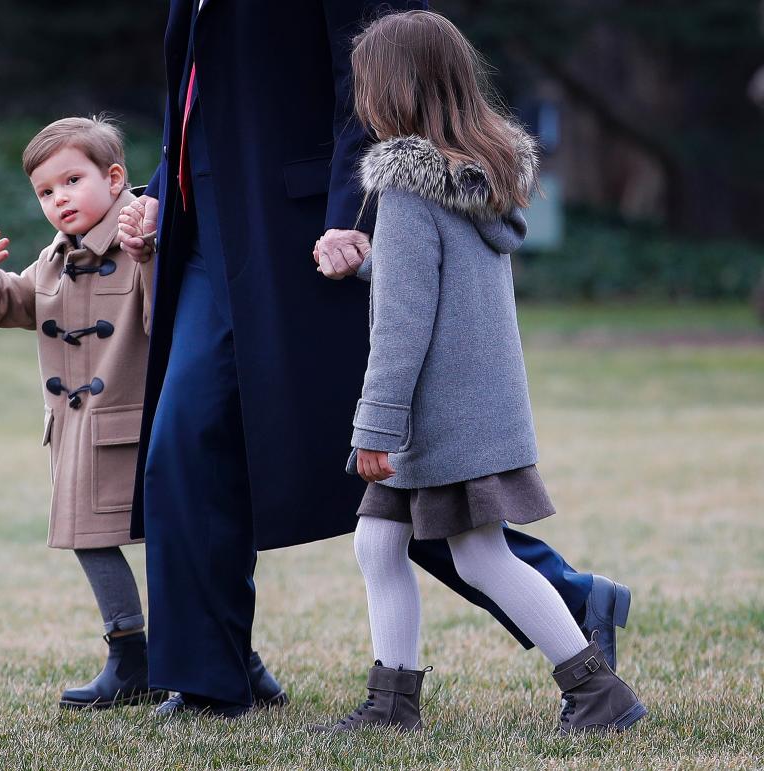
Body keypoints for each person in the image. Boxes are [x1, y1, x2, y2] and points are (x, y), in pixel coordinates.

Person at [117, 0, 631, 718]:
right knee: (186, 445)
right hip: (207, 238)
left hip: (314, 230)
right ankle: (211, 674)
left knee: (392, 459)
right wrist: (157, 194)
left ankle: (572, 609)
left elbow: (377, 69)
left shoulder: (413, 192)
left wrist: (355, 222)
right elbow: (207, 100)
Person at [312, 11, 646, 734]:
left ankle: (597, 691)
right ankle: (392, 702)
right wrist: (374, 261)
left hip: (438, 417)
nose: (359, 100)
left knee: (482, 558)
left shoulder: (404, 188)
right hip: (476, 406)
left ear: (393, 91)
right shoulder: (472, 173)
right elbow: (437, 280)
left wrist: (375, 428)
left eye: (365, 84)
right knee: (381, 544)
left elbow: (403, 327)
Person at [0, 116, 164, 710]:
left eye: (72, 180)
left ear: (115, 178)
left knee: (183, 539)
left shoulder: (143, 235)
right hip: (79, 431)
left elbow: (166, 309)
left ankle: (236, 659)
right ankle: (131, 656)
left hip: (140, 424)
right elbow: (20, 302)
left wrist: (148, 246)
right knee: (85, 536)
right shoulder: (56, 259)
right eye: (45, 191)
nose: (58, 198)